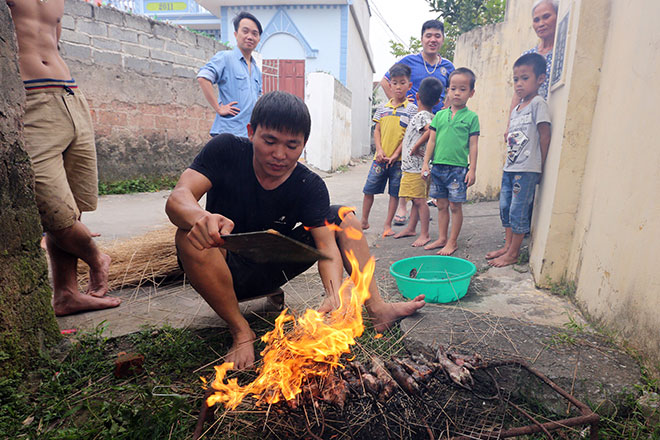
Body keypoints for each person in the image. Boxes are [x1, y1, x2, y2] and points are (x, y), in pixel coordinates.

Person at [165, 91, 425, 370]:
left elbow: (326, 247)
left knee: (343, 218)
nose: (279, 155)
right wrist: (201, 218)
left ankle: (377, 309)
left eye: (292, 145)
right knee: (188, 236)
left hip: (273, 268)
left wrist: (333, 295)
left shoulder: (308, 184)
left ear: (304, 145)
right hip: (222, 270)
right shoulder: (225, 150)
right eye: (269, 141)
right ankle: (241, 332)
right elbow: (178, 198)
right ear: (252, 132)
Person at [7, 0, 119, 315]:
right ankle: (97, 257)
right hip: (29, 100)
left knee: (73, 206)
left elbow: (53, 42)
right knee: (55, 212)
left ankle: (66, 294)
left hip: (70, 96)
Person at [380, 19, 455, 225]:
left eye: (437, 36)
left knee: (427, 160)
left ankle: (422, 201)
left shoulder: (447, 66)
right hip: (411, 122)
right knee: (406, 162)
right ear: (422, 38)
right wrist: (400, 102)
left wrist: (446, 110)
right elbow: (386, 80)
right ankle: (403, 206)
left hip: (435, 123)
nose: (433, 39)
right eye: (428, 35)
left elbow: (452, 89)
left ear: (442, 39)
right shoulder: (409, 61)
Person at [487, 54, 551, 267]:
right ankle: (507, 246)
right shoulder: (516, 109)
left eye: (525, 78)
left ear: (540, 79)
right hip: (511, 167)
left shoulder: (538, 104)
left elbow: (544, 134)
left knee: (518, 210)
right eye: (516, 79)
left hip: (527, 169)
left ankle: (513, 253)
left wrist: (541, 165)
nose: (519, 84)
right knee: (505, 207)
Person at [421, 68, 480, 256]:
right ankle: (441, 238)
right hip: (438, 167)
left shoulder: (472, 118)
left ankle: (452, 242)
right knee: (441, 204)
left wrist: (472, 170)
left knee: (455, 206)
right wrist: (425, 164)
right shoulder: (439, 116)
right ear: (448, 90)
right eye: (453, 88)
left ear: (471, 93)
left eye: (462, 89)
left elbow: (473, 145)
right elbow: (431, 141)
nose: (457, 93)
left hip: (458, 169)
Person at [361, 63, 417, 238]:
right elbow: (376, 130)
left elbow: (408, 135)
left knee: (394, 194)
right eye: (394, 82)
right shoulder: (382, 108)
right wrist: (379, 150)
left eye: (402, 83)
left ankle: (387, 224)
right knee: (369, 189)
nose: (398, 87)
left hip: (398, 162)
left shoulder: (412, 109)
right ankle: (363, 221)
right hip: (380, 159)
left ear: (409, 85)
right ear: (390, 85)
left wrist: (395, 155)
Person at [393, 77, 444, 247]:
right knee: (416, 199)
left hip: (415, 169)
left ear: (417, 97)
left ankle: (425, 234)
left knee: (419, 201)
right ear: (437, 101)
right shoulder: (431, 115)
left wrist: (416, 145)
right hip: (416, 167)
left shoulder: (422, 115)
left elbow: (431, 131)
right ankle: (412, 228)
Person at [197, 11, 263, 138]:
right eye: (245, 31)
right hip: (228, 133)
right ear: (236, 34)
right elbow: (203, 78)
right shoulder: (225, 58)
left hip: (249, 135)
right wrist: (219, 108)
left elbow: (259, 98)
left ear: (258, 39)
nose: (250, 37)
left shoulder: (256, 70)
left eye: (254, 34)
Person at [505, 0, 558, 139]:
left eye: (546, 17)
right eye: (536, 20)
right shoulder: (528, 56)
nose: (541, 23)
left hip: (550, 119)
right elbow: (517, 93)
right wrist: (510, 125)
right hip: (526, 123)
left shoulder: (561, 51)